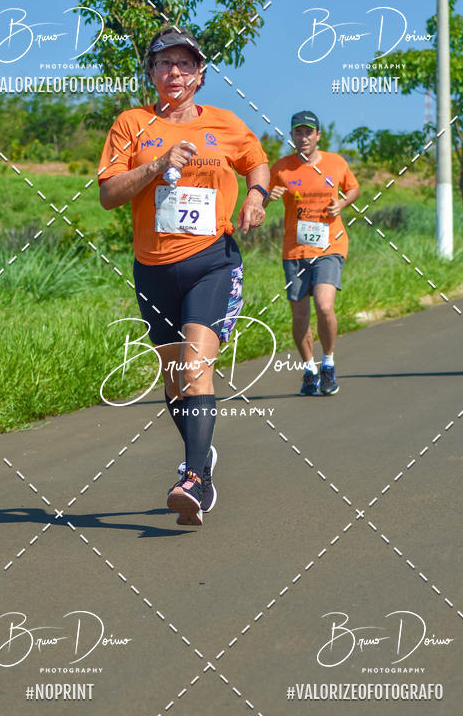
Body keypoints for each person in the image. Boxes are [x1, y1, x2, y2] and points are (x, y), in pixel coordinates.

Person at [98, 26, 269, 525]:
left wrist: (256, 196)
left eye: (184, 64)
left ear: (200, 74)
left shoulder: (225, 122)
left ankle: (193, 478)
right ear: (151, 73)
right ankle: (202, 459)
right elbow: (109, 194)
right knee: (175, 379)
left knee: (195, 369)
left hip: (212, 262)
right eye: (163, 64)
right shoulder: (131, 124)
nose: (174, 72)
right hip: (153, 269)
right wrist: (156, 164)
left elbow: (256, 163)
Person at [265, 111, 360, 396]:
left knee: (324, 305)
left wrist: (341, 205)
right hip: (295, 250)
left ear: (318, 135)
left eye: (308, 132)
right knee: (300, 317)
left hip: (330, 246)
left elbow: (353, 189)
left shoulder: (336, 162)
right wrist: (269, 196)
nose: (303, 137)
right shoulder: (282, 167)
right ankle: (309, 369)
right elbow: (262, 196)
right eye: (298, 132)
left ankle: (328, 363)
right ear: (292, 136)